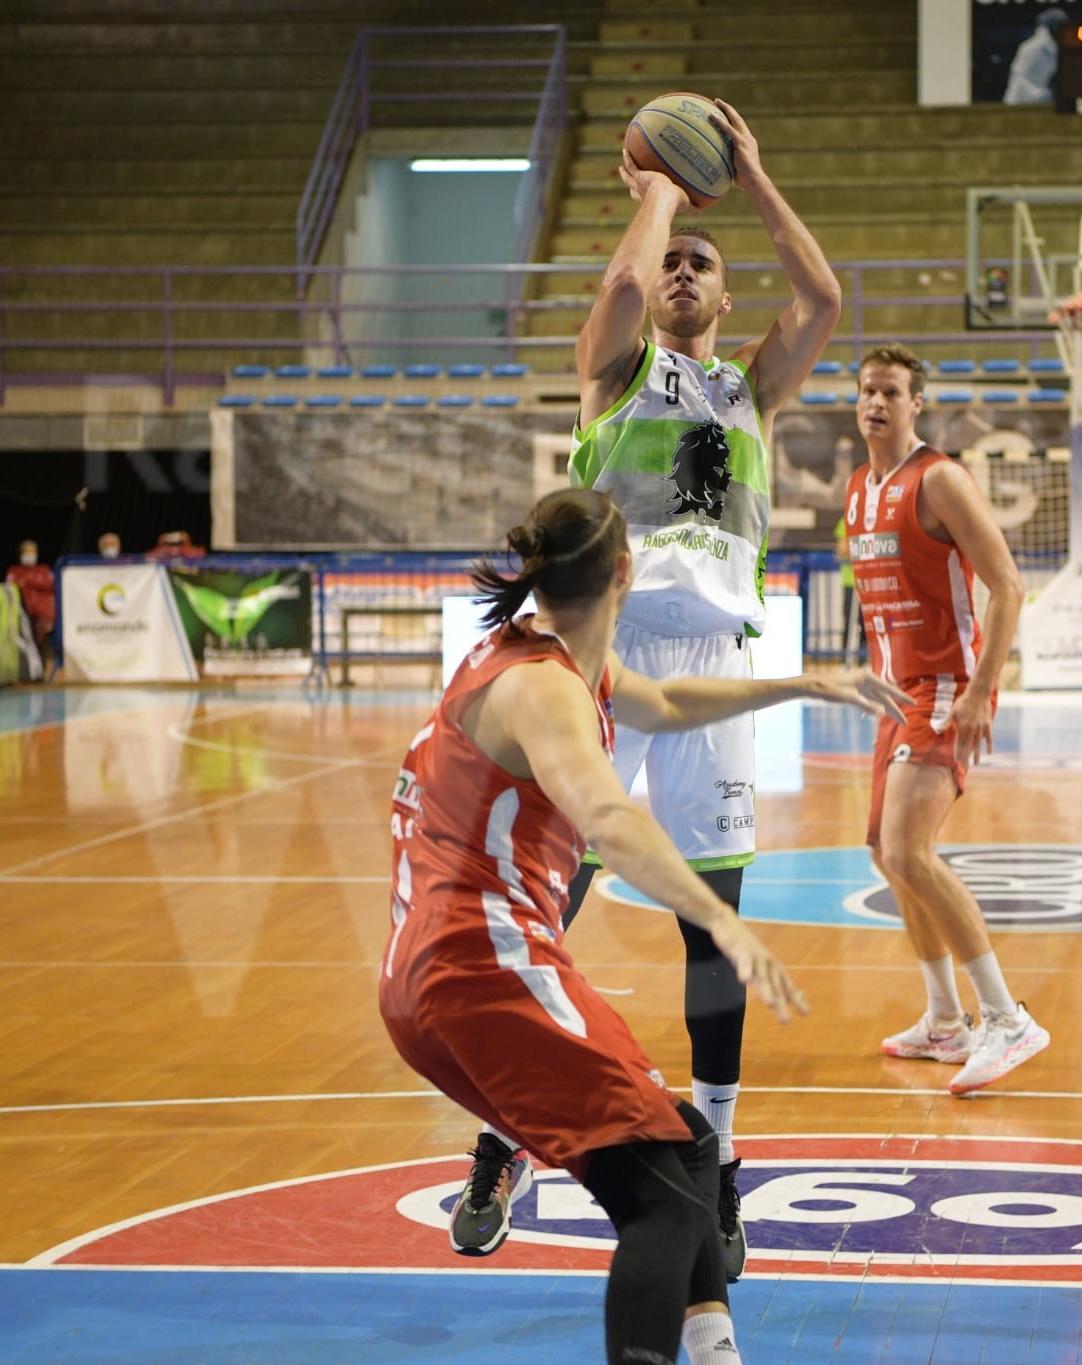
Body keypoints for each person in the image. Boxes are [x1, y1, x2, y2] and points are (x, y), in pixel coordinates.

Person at [448, 96, 842, 1279]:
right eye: (670, 261)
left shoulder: (751, 393)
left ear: (723, 298)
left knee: (708, 923)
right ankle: (503, 1137)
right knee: (540, 908)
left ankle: (717, 1157)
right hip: (600, 660)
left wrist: (751, 175)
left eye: (699, 265)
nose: (678, 271)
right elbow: (621, 285)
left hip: (712, 670)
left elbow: (821, 300)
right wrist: (659, 187)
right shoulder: (613, 375)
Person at [379, 489, 904, 1365]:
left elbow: (662, 701)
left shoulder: (544, 653)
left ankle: (714, 1347)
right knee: (662, 1200)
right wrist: (718, 917)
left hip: (429, 974)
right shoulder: (545, 690)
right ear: (626, 571)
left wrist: (806, 682)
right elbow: (611, 819)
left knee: (687, 1149)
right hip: (481, 967)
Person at [844, 345, 1048, 1094]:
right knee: (885, 851)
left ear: (916, 404)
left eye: (891, 393)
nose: (876, 403)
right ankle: (943, 1019)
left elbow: (1008, 585)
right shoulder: (858, 488)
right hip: (894, 692)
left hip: (944, 685)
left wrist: (981, 688)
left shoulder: (940, 479)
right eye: (868, 391)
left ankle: (1005, 1017)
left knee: (910, 849)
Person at [1002, 8, 1068, 104]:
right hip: (1016, 102)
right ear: (1052, 26)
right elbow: (1018, 77)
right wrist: (1036, 93)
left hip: (1036, 103)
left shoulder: (1055, 48)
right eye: (1058, 25)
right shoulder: (1031, 47)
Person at [6, 539, 57, 663]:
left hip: (44, 618)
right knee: (26, 649)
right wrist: (36, 582)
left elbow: (51, 584)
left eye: (32, 552)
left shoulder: (44, 569)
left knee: (46, 650)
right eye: (26, 552)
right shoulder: (14, 571)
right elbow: (11, 587)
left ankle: (45, 671)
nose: (29, 555)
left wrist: (27, 581)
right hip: (23, 617)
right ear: (20, 554)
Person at [833, 514, 863, 665]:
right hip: (851, 582)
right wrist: (864, 548)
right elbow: (842, 550)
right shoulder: (846, 520)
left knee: (867, 626)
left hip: (868, 583)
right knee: (849, 624)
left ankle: (864, 662)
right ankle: (846, 660)